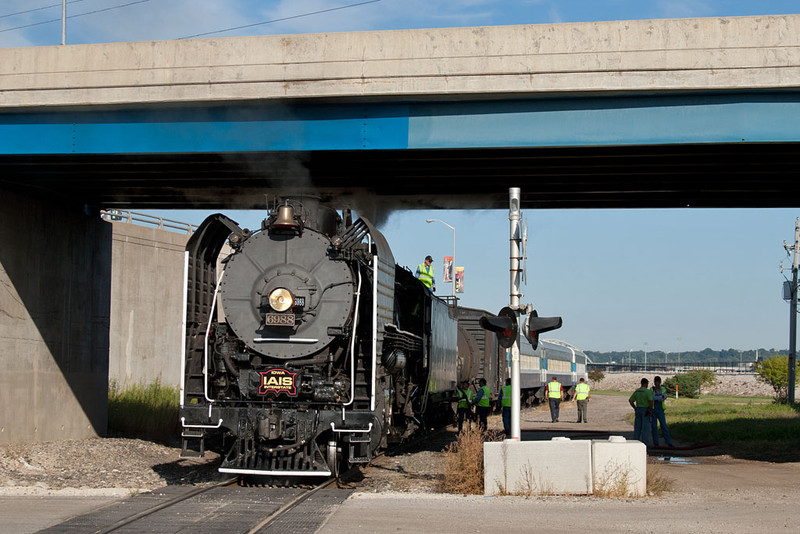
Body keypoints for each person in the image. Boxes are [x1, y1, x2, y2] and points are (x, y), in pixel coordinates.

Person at [629, 377, 654, 446]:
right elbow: (651, 401)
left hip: (638, 409)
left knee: (637, 427)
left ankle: (635, 442)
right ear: (646, 384)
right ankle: (645, 444)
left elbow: (631, 400)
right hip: (645, 410)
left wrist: (635, 407)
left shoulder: (637, 391)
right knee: (645, 428)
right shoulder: (648, 392)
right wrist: (650, 410)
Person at [651, 375, 674, 447]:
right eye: (656, 382)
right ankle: (656, 443)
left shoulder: (663, 389)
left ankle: (668, 442)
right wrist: (660, 397)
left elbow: (662, 398)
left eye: (658, 382)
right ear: (654, 382)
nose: (657, 383)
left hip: (660, 409)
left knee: (664, 426)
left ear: (660, 382)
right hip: (653, 409)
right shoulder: (651, 389)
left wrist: (658, 398)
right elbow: (653, 397)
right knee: (654, 427)